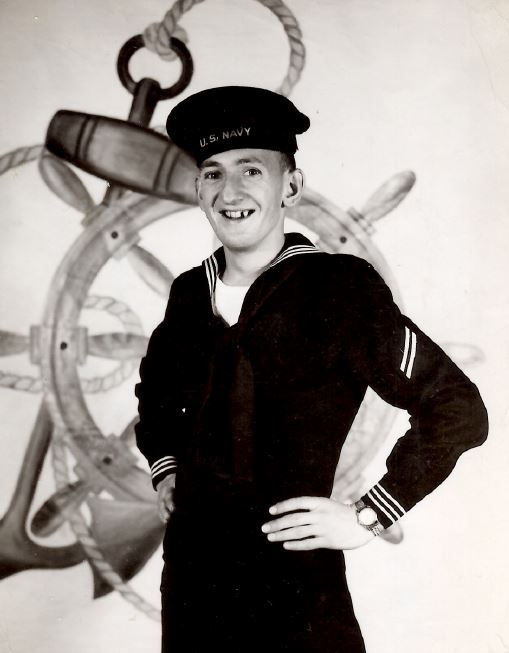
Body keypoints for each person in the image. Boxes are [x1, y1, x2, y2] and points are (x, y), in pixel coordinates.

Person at [135, 86, 488, 653]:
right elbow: (156, 395)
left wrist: (371, 515)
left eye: (251, 170)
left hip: (296, 588)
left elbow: (457, 407)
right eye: (213, 173)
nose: (230, 191)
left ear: (291, 187)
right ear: (199, 190)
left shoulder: (338, 289)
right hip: (192, 590)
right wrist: (166, 469)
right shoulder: (189, 295)